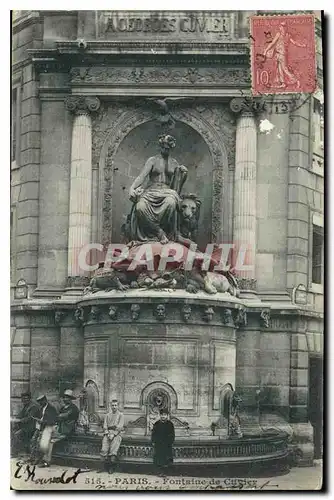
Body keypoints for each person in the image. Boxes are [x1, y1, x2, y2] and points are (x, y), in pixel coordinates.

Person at [128, 134, 188, 244]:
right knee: (140, 207)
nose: (165, 150)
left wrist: (183, 174)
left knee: (171, 203)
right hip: (151, 191)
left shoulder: (174, 163)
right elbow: (142, 176)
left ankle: (163, 232)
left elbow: (176, 185)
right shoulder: (152, 160)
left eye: (168, 148)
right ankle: (159, 232)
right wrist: (132, 188)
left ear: (171, 148)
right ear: (160, 146)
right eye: (164, 147)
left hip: (167, 192)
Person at [263, 22, 307, 89]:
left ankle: (296, 80)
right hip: (278, 54)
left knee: (285, 69)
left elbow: (294, 42)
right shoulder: (279, 34)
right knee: (279, 69)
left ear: (286, 28)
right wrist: (266, 50)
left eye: (284, 27)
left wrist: (302, 45)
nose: (283, 28)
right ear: (280, 28)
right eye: (282, 26)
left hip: (282, 54)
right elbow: (273, 43)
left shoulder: (288, 35)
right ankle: (283, 83)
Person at [42, 389, 80, 465]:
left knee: (51, 441)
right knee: (45, 435)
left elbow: (62, 417)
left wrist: (57, 418)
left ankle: (47, 461)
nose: (65, 399)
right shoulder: (63, 408)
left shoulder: (73, 409)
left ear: (71, 399)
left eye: (67, 397)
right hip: (60, 428)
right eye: (64, 397)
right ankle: (41, 457)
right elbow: (57, 417)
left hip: (68, 430)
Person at [29, 394, 58, 467]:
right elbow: (39, 417)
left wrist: (43, 421)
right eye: (39, 402)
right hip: (40, 427)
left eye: (41, 402)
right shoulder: (41, 408)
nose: (40, 403)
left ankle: (41, 459)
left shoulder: (51, 409)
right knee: (33, 440)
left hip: (49, 427)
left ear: (45, 400)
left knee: (42, 443)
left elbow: (53, 421)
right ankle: (34, 457)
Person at [11, 392, 40, 457]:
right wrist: (15, 418)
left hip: (33, 427)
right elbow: (20, 415)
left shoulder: (33, 407)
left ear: (30, 399)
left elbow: (29, 418)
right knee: (13, 430)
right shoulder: (26, 406)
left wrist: (19, 420)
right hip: (26, 427)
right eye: (23, 398)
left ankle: (13, 453)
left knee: (16, 434)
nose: (24, 400)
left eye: (26, 398)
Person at [100, 400, 124, 473]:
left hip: (116, 434)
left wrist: (114, 434)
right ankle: (103, 467)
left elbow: (120, 426)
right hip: (108, 434)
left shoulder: (121, 415)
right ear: (110, 406)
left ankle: (111, 468)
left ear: (118, 406)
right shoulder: (107, 415)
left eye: (115, 405)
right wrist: (107, 433)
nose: (114, 407)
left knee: (113, 451)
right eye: (112, 405)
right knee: (104, 449)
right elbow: (105, 426)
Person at [151, 408, 175, 475]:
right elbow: (154, 434)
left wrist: (170, 442)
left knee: (167, 458)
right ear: (160, 415)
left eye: (164, 415)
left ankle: (166, 472)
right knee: (158, 458)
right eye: (161, 415)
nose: (163, 416)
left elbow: (172, 435)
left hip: (167, 444)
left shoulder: (170, 424)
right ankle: (159, 472)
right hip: (158, 444)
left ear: (167, 415)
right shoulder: (157, 424)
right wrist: (153, 441)